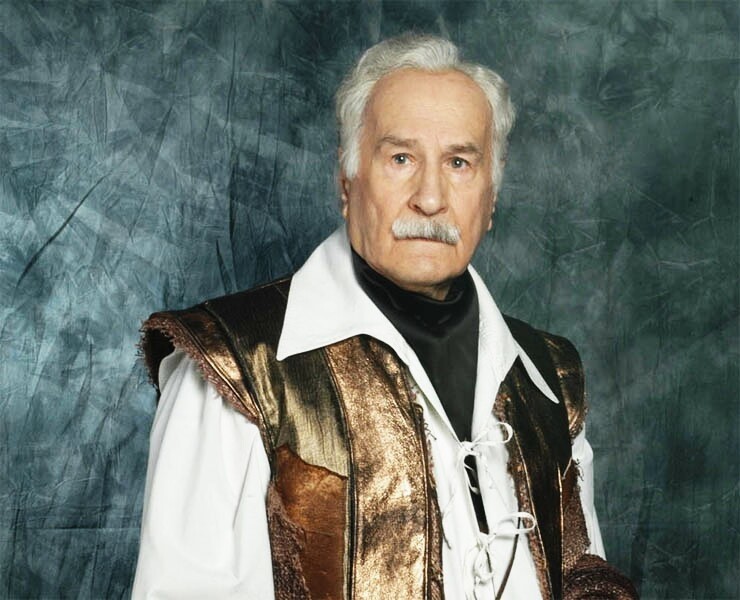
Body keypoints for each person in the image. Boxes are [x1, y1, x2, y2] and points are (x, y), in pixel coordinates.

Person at [133, 34, 636, 599]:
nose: (430, 198)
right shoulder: (232, 363)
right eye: (401, 158)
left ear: (490, 198)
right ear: (347, 182)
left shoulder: (549, 377)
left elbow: (584, 573)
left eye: (459, 162)